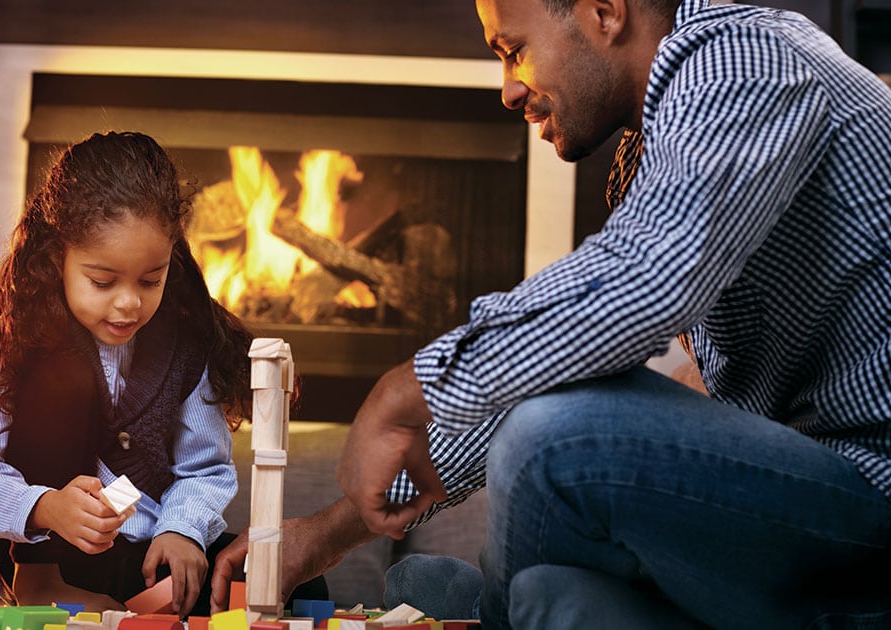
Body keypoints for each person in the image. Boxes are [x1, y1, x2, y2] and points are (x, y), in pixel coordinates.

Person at [212, 0, 891, 627]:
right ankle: (529, 608)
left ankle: (504, 614)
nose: (508, 87)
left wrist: (406, 389)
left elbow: (645, 281)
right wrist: (326, 533)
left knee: (552, 437)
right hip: (793, 503)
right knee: (501, 587)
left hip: (869, 503)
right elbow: (566, 364)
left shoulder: (749, 59)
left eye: (514, 49)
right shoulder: (650, 150)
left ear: (603, 10)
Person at [0, 131, 255, 617]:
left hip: (144, 546)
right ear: (57, 260)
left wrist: (183, 530)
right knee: (62, 375)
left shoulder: (188, 344)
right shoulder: (15, 338)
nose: (129, 302)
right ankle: (40, 581)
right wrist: (45, 508)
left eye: (150, 280)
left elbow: (204, 468)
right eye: (102, 281)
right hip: (56, 547)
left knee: (284, 580)